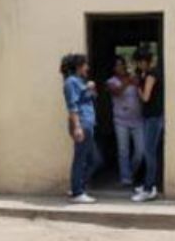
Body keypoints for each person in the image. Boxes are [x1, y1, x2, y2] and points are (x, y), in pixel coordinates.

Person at [61, 53, 102, 204]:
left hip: (88, 123)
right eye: (85, 64)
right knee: (81, 159)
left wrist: (91, 89)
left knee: (95, 159)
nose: (87, 68)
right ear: (78, 66)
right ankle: (77, 192)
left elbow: (90, 98)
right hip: (82, 124)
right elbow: (72, 106)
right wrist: (77, 127)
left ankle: (77, 186)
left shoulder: (79, 81)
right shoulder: (71, 82)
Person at [106, 56, 145, 187]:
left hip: (138, 120)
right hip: (120, 121)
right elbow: (116, 92)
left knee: (140, 151)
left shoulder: (134, 79)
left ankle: (131, 173)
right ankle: (126, 178)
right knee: (123, 151)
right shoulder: (111, 81)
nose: (120, 67)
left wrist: (137, 82)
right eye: (117, 65)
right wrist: (129, 81)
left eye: (122, 64)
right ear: (113, 68)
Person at [131, 48, 163, 202]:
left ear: (144, 61)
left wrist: (138, 87)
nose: (138, 65)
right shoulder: (150, 74)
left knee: (149, 153)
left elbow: (145, 97)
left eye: (139, 62)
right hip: (151, 117)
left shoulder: (151, 75)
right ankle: (147, 185)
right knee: (149, 152)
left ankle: (149, 189)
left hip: (153, 118)